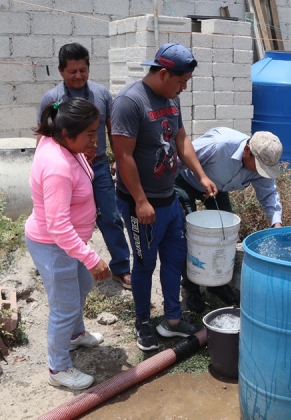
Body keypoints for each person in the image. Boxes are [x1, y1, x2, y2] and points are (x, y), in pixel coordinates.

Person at [111, 43, 217, 351]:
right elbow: (124, 155)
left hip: (169, 200)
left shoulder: (172, 99)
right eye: (181, 81)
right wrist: (141, 201)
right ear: (163, 73)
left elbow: (180, 138)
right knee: (144, 265)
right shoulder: (130, 102)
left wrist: (201, 174)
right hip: (141, 205)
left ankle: (172, 320)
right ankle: (143, 321)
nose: (184, 88)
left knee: (174, 259)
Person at [26, 98, 112, 390]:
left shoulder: (60, 144)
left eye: (95, 131)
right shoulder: (57, 166)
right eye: (89, 134)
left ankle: (75, 336)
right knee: (63, 307)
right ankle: (58, 368)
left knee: (81, 288)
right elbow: (58, 227)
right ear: (67, 134)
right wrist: (91, 258)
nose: (95, 139)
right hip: (54, 245)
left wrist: (85, 157)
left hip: (70, 243)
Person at [37, 43, 132, 290]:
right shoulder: (52, 99)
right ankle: (63, 265)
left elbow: (113, 131)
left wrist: (117, 160)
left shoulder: (101, 94)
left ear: (89, 68)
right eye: (72, 71)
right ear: (61, 71)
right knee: (65, 219)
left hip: (98, 166)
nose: (78, 75)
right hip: (66, 169)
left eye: (83, 70)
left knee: (110, 217)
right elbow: (43, 138)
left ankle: (121, 267)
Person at [174, 127, 284, 312]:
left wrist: (277, 223)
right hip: (185, 180)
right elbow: (181, 158)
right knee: (189, 233)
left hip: (217, 187)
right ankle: (192, 288)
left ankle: (216, 283)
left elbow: (268, 194)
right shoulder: (219, 145)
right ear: (248, 151)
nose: (260, 172)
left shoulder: (260, 166)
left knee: (224, 232)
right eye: (258, 166)